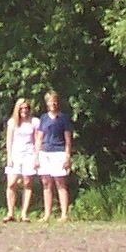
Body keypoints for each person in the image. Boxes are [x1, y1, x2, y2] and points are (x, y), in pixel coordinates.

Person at [36, 90, 75, 219]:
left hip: (59, 152)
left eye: (55, 100)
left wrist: (67, 156)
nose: (53, 103)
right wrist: (37, 156)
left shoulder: (63, 118)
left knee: (60, 183)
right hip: (44, 152)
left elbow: (68, 139)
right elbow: (39, 138)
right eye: (50, 101)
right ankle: (47, 214)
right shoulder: (43, 118)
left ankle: (64, 214)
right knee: (46, 184)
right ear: (46, 103)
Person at [3, 96, 40, 222]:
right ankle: (10, 212)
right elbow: (9, 140)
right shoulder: (12, 122)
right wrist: (9, 157)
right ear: (17, 109)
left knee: (27, 183)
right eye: (22, 108)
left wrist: (36, 157)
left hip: (29, 154)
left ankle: (24, 213)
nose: (24, 110)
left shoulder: (34, 122)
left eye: (26, 108)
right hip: (15, 155)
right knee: (11, 183)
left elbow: (37, 140)